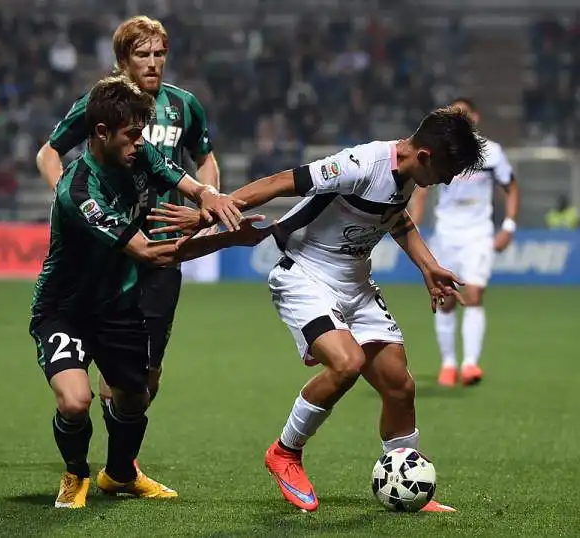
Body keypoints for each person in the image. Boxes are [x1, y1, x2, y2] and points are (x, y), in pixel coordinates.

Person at [149, 106, 485, 512]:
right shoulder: (359, 165)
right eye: (448, 172)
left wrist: (428, 268)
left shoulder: (409, 175)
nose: (447, 181)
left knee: (400, 386)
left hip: (355, 283)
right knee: (346, 363)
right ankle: (285, 452)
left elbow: (397, 220)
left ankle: (403, 473)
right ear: (427, 156)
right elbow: (279, 182)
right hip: (303, 273)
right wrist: (213, 209)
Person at [30, 76, 268, 509]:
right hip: (65, 310)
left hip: (117, 303)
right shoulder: (78, 192)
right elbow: (149, 252)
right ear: (101, 133)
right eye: (132, 134)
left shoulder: (138, 154)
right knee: (76, 400)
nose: (142, 142)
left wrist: (209, 198)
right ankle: (75, 473)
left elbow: (186, 180)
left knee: (135, 397)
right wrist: (227, 239)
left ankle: (119, 475)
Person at [35, 15, 220, 415]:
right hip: (113, 248)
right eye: (143, 55)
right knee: (116, 356)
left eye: (160, 54)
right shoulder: (100, 104)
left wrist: (208, 202)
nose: (153, 63)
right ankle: (120, 463)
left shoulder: (185, 105)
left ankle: (120, 446)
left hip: (162, 243)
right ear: (123, 59)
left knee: (148, 372)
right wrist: (71, 203)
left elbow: (205, 162)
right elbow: (48, 153)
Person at [409, 98, 520, 387]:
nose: (460, 118)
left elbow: (511, 188)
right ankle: (448, 365)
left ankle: (470, 364)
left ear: (476, 117)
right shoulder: (440, 152)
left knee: (474, 295)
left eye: (464, 114)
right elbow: (422, 191)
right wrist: (414, 226)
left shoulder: (492, 153)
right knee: (445, 299)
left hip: (478, 234)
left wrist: (508, 225)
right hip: (446, 233)